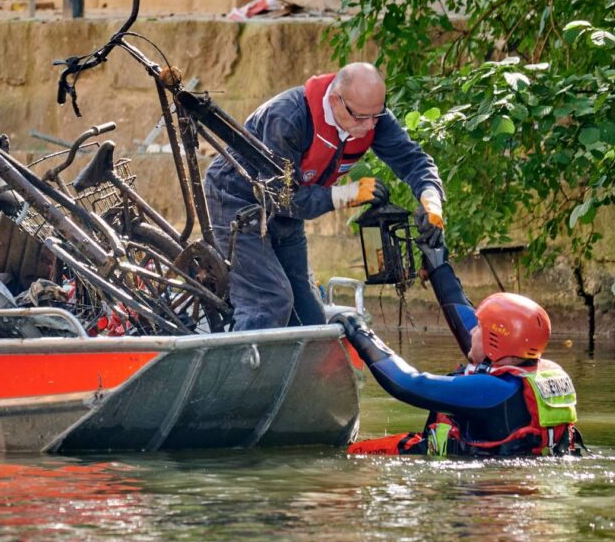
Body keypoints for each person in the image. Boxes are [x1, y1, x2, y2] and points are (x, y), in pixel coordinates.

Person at [203, 62, 446, 330]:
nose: (368, 127)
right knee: (270, 302)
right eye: (359, 117)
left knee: (309, 316)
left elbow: (415, 162)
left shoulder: (371, 116)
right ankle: (239, 369)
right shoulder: (287, 117)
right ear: (334, 100)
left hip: (287, 210)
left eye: (376, 117)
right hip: (238, 199)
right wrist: (345, 195)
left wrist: (431, 200)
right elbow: (279, 196)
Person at [333, 251, 585, 457]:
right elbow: (466, 319)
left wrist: (359, 331)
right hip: (518, 478)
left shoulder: (493, 390)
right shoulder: (530, 373)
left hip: (490, 493)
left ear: (496, 341)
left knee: (348, 454)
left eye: (480, 327)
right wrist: (437, 265)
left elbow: (407, 383)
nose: (472, 329)